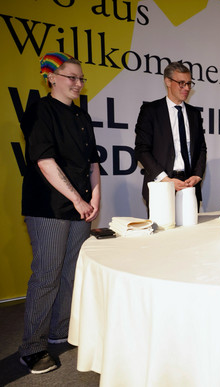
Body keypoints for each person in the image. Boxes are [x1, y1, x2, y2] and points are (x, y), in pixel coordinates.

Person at [19, 52, 101, 374]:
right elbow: (45, 162)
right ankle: (32, 347)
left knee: (71, 273)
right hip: (49, 208)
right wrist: (78, 200)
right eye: (72, 77)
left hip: (81, 208)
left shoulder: (82, 117)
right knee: (47, 276)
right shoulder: (39, 110)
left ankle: (59, 332)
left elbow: (93, 163)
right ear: (51, 77)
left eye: (81, 78)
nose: (78, 83)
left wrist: (94, 197)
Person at [135, 62, 207, 208]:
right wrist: (166, 180)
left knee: (192, 230)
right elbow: (142, 149)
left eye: (189, 83)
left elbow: (201, 148)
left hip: (189, 185)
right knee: (164, 230)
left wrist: (197, 176)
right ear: (168, 81)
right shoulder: (151, 110)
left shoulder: (194, 114)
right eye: (181, 83)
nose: (186, 88)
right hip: (161, 184)